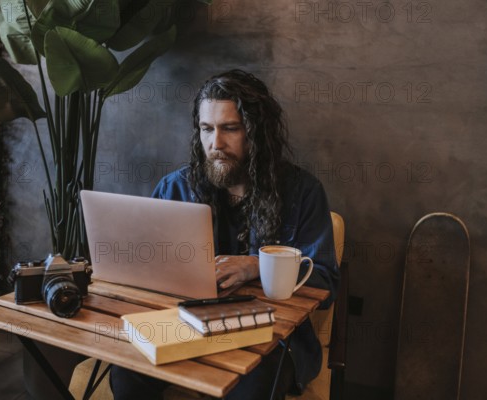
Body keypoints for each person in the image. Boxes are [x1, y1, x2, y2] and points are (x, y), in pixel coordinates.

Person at [110, 69, 340, 400]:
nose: (215, 143)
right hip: (184, 326)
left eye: (230, 128)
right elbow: (145, 269)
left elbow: (326, 282)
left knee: (252, 381)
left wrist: (256, 266)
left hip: (271, 337)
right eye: (207, 129)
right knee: (126, 372)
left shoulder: (303, 193)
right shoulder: (176, 187)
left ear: (255, 132)